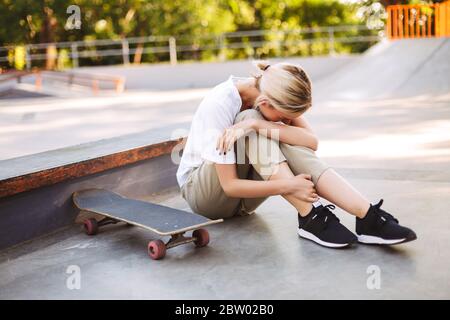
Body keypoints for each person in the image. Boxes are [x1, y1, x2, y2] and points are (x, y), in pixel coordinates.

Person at [176, 61, 417, 248]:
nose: (285, 120)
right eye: (282, 115)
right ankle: (309, 214)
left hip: (243, 203)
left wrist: (264, 127)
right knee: (247, 120)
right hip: (204, 196)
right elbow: (229, 186)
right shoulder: (220, 103)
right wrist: (288, 185)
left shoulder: (275, 91)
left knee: (271, 131)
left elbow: (310, 142)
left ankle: (367, 216)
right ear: (264, 102)